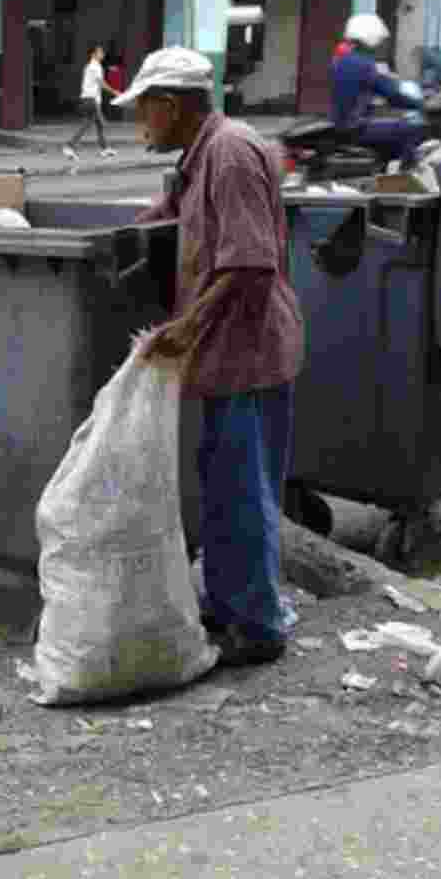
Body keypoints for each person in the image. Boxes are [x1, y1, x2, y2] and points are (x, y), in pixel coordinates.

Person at [124, 46, 305, 668]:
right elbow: (172, 215)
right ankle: (233, 606)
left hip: (245, 351)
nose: (139, 124)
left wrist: (187, 327)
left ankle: (256, 627)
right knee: (226, 488)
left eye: (143, 112)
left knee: (243, 492)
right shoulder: (198, 157)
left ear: (170, 106)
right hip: (226, 354)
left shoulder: (228, 151)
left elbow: (251, 262)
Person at [331, 13, 427, 167]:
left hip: (341, 124)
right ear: (371, 38)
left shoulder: (343, 59)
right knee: (412, 128)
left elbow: (363, 89)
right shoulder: (364, 63)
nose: (382, 45)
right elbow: (392, 95)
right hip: (355, 128)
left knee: (391, 125)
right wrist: (420, 104)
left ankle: (385, 165)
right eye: (381, 41)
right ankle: (404, 178)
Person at [63, 45, 119, 163]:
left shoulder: (90, 66)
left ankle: (104, 149)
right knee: (88, 124)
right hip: (91, 100)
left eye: (102, 52)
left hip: (89, 99)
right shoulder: (95, 66)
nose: (102, 54)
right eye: (99, 52)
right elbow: (101, 83)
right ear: (93, 54)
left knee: (100, 124)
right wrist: (114, 92)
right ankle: (69, 146)